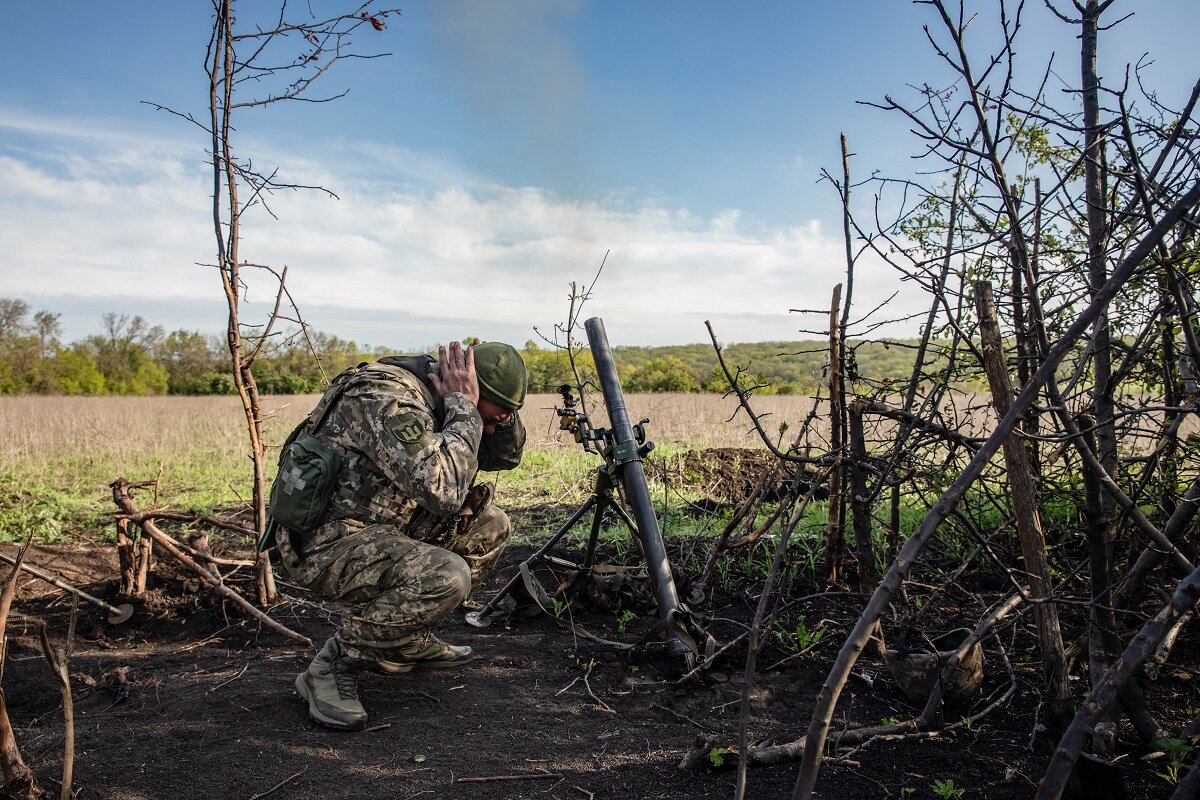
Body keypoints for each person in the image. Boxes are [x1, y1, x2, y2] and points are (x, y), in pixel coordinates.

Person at [272, 340, 527, 730]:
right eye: (487, 418)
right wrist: (462, 407)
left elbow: (504, 457)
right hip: (327, 541)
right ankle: (332, 665)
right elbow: (443, 491)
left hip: (382, 526)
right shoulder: (387, 397)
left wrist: (496, 418)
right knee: (446, 576)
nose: (487, 428)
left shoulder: (447, 398)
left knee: (490, 526)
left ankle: (403, 639)